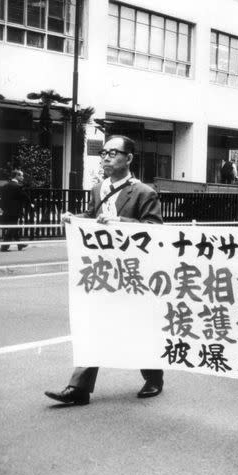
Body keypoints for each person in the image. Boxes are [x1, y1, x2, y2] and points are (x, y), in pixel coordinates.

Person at [45, 135, 165, 406]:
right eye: (104, 153)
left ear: (129, 158)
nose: (107, 157)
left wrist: (119, 221)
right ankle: (79, 388)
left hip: (133, 271)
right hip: (103, 269)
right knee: (95, 323)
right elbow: (92, 218)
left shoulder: (145, 192)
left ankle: (154, 377)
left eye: (114, 152)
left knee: (138, 326)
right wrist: (74, 219)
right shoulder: (99, 188)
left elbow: (154, 230)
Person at [0, 169, 34, 251]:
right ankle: (4, 247)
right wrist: (30, 204)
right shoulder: (18, 186)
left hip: (6, 210)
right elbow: (25, 197)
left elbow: (2, 199)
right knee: (12, 227)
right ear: (17, 176)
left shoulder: (5, 186)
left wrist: (3, 209)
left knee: (13, 227)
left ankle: (19, 244)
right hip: (15, 211)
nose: (23, 177)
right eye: (21, 175)